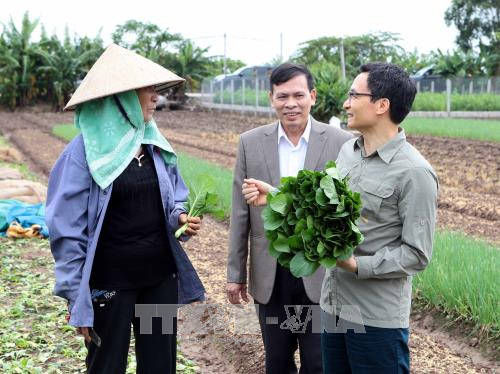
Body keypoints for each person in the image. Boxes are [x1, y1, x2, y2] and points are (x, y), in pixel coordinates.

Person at [242, 62, 439, 373]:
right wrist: (277, 197)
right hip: (333, 307)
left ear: (381, 105)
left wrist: (357, 264)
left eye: (354, 95)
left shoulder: (414, 172)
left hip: (376, 319)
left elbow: (417, 255)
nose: (346, 103)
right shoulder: (349, 152)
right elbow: (324, 213)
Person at [46, 43, 205, 374]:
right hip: (109, 283)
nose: (155, 98)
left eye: (155, 90)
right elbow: (67, 232)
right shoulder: (83, 154)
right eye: (146, 90)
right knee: (107, 366)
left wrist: (179, 217)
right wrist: (77, 298)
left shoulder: (154, 146)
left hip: (158, 278)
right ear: (119, 99)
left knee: (160, 365)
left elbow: (173, 197)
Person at [226, 62, 352, 374]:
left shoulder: (340, 142)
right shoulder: (251, 143)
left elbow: (346, 210)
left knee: (318, 362)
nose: (291, 104)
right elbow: (240, 213)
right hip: (271, 273)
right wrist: (235, 273)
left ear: (313, 96)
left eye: (298, 95)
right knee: (277, 361)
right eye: (282, 97)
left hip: (320, 272)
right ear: (271, 99)